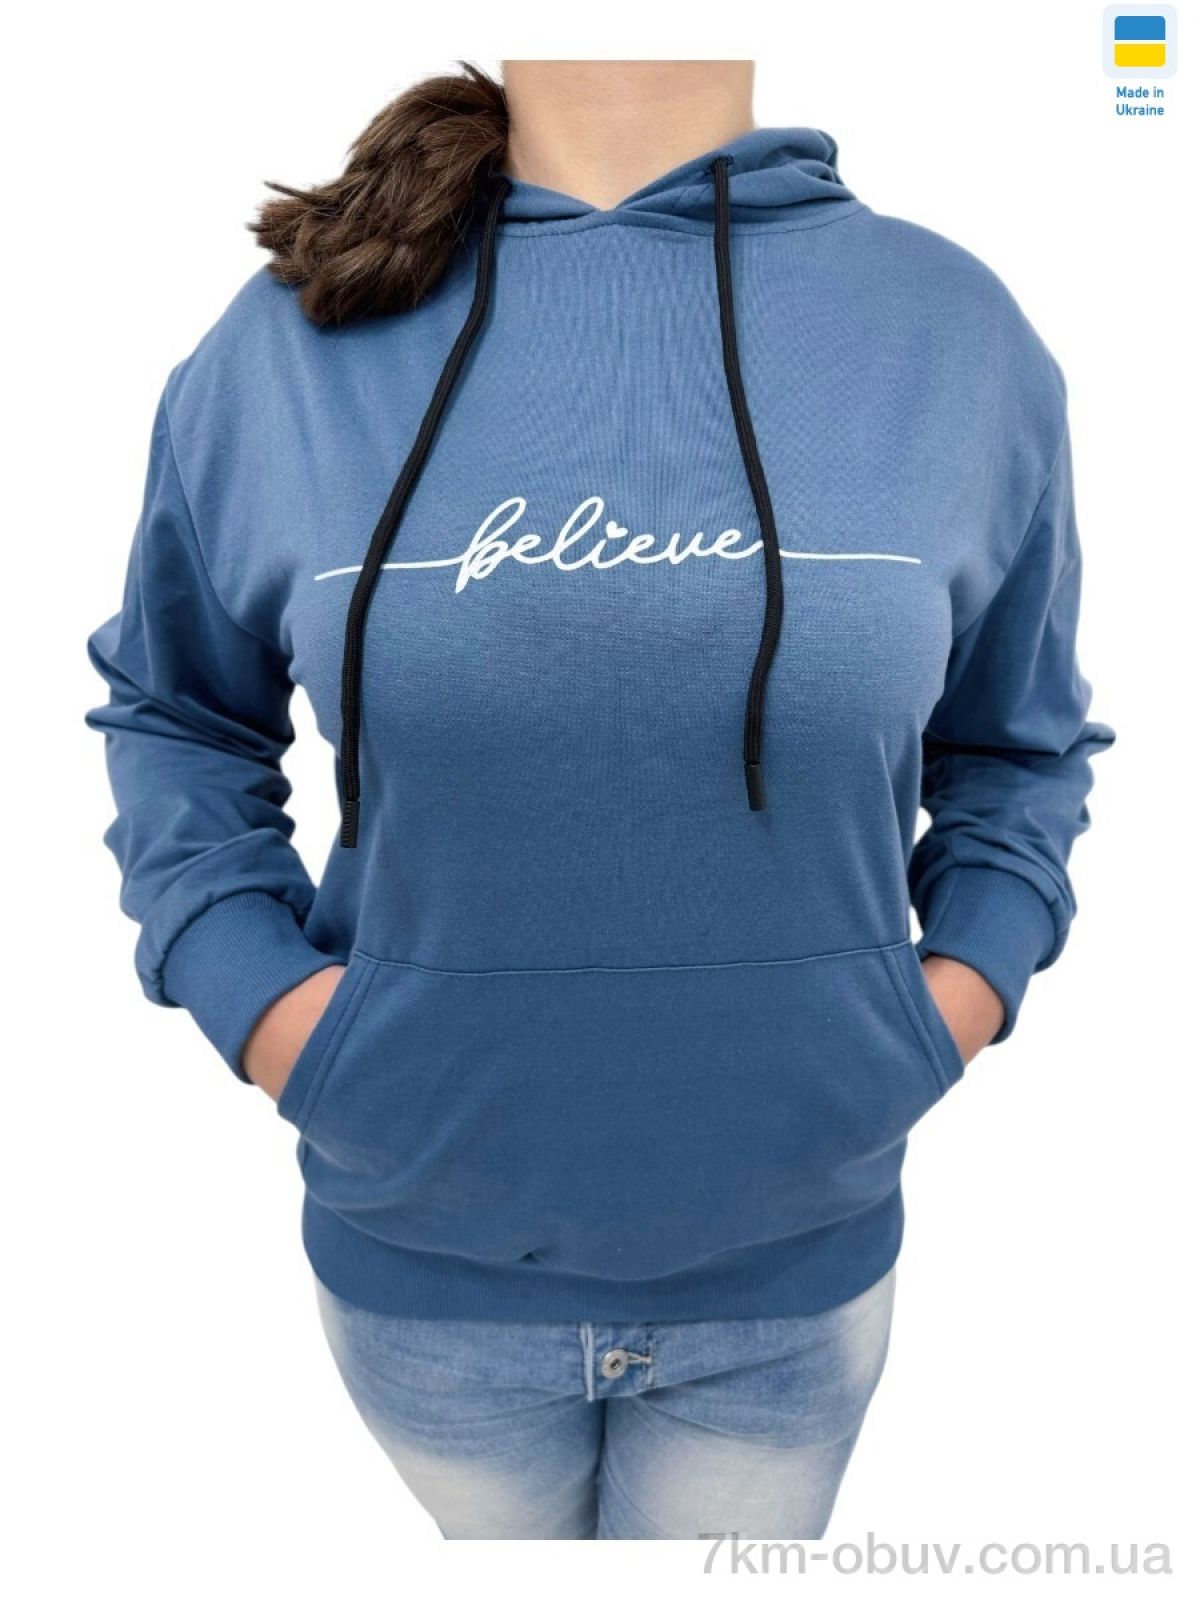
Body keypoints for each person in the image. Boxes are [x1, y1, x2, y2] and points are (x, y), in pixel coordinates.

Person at [85, 59, 1113, 1540]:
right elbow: (178, 716)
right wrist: (271, 1013)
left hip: (796, 1279)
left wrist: (945, 1007)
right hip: (421, 1275)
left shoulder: (952, 333)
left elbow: (1017, 747)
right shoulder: (293, 339)